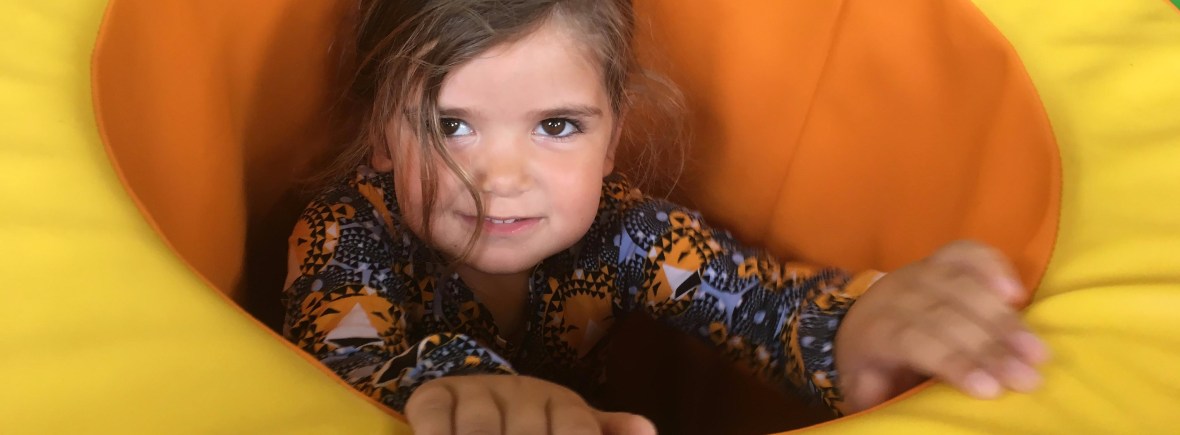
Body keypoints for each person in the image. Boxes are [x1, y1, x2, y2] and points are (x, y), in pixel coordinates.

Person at [283, 1, 1049, 433]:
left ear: (612, 139)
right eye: (452, 125)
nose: (503, 177)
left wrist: (850, 330)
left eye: (557, 126)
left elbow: (761, 306)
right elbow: (347, 361)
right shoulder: (345, 231)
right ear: (382, 137)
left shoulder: (627, 233)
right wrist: (477, 386)